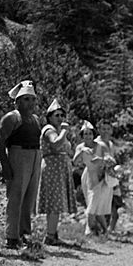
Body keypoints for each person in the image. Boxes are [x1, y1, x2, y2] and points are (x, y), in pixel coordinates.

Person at [0, 81, 42, 249]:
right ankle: (12, 237)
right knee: (15, 197)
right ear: (17, 101)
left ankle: (24, 233)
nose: (30, 103)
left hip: (35, 156)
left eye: (32, 99)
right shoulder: (11, 118)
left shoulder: (35, 119)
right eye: (26, 99)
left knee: (29, 198)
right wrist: (5, 166)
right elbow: (0, 144)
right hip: (18, 155)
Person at [37, 99, 77, 245]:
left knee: (57, 202)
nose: (60, 118)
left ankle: (53, 234)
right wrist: (65, 132)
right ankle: (50, 236)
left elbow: (68, 149)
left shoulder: (59, 131)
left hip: (60, 169)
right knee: (54, 202)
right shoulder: (49, 129)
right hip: (52, 169)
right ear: (49, 117)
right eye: (56, 115)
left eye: (62, 115)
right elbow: (54, 144)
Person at [72, 120, 104, 234]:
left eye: (90, 133)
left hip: (98, 176)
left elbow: (107, 160)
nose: (88, 136)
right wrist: (81, 152)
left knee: (94, 203)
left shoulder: (100, 146)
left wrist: (100, 160)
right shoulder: (80, 147)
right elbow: (75, 162)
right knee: (89, 201)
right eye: (85, 134)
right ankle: (97, 229)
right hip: (87, 176)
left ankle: (90, 229)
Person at [95, 120, 122, 233]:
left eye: (108, 129)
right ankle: (101, 230)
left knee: (114, 204)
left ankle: (110, 229)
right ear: (99, 129)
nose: (106, 131)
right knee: (101, 204)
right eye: (103, 129)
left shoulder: (110, 144)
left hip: (111, 177)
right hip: (100, 177)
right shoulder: (97, 143)